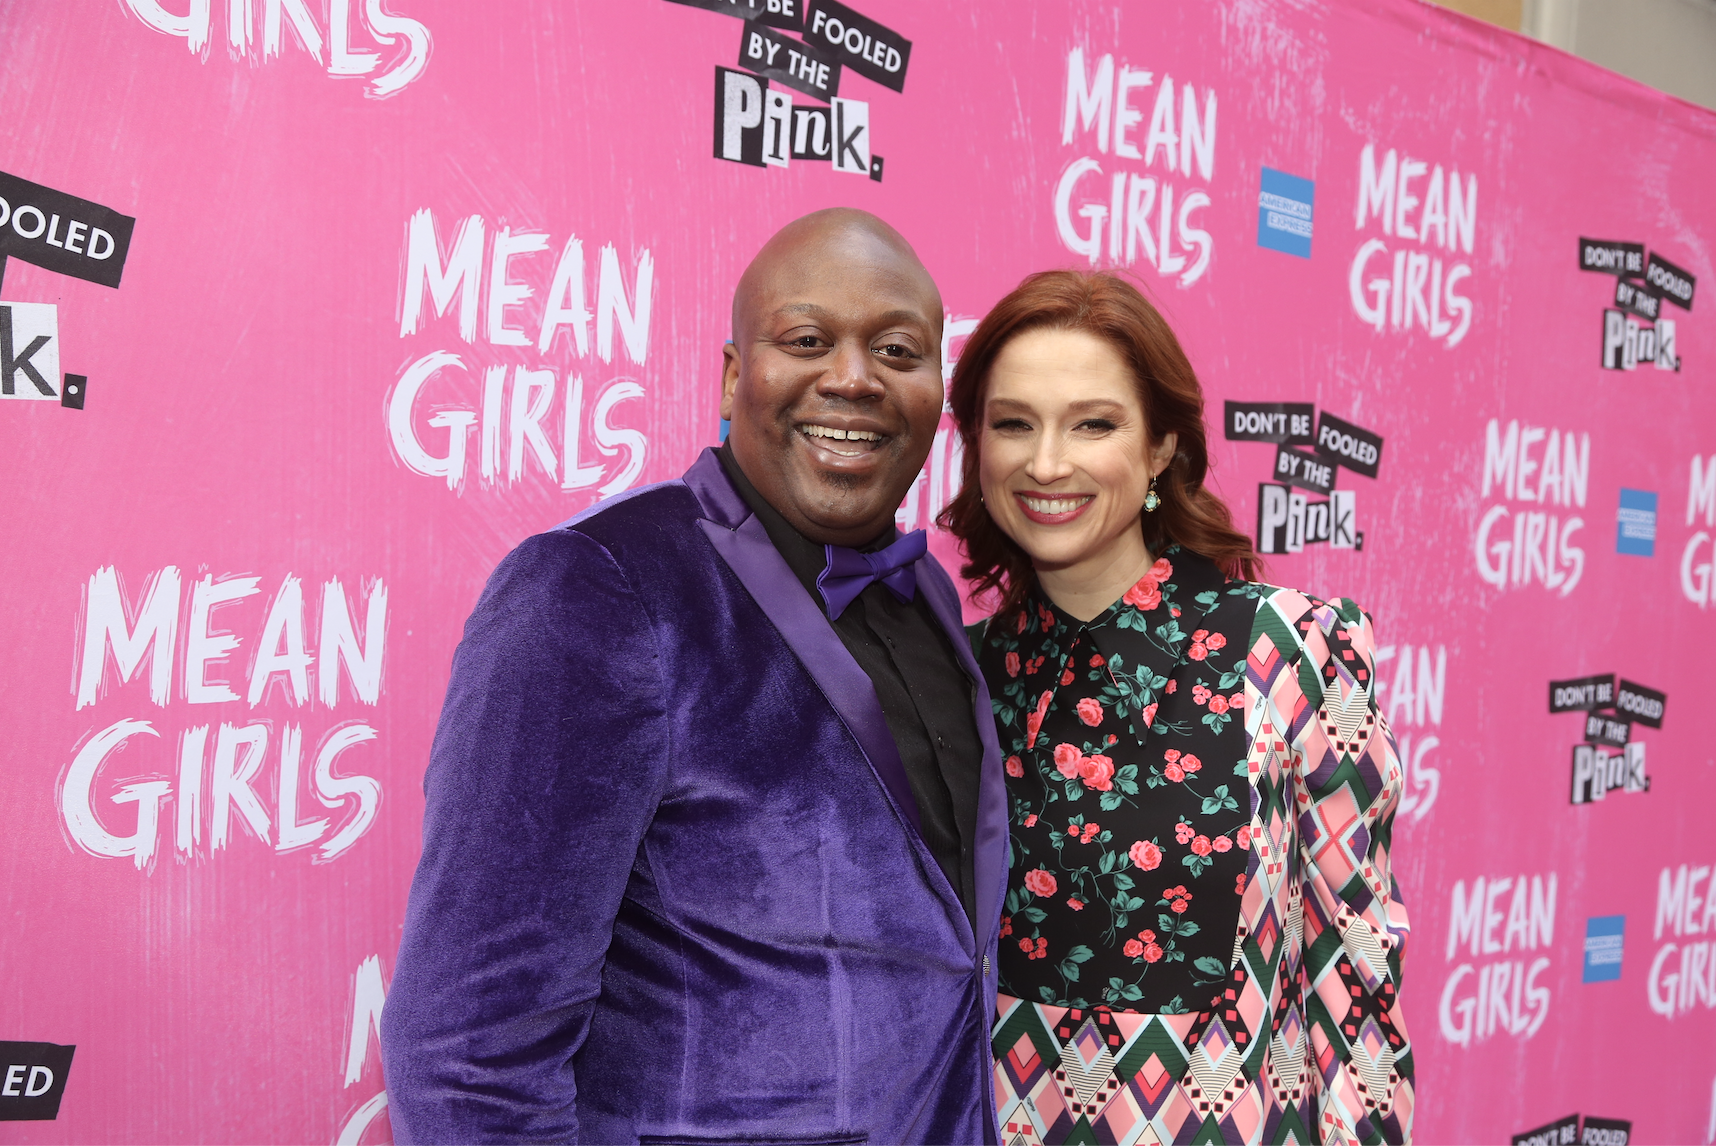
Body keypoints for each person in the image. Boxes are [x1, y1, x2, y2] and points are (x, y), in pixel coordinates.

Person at [380, 209, 1007, 1145]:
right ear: (730, 376)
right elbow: (469, 1053)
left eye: (897, 350)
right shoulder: (595, 589)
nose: (852, 377)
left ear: (935, 392)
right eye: (806, 339)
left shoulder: (930, 597)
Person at [940, 270, 1413, 1145]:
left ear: (1161, 447)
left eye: (1094, 423)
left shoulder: (1291, 650)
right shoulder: (956, 675)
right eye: (1014, 424)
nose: (1047, 462)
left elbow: (1356, 965)